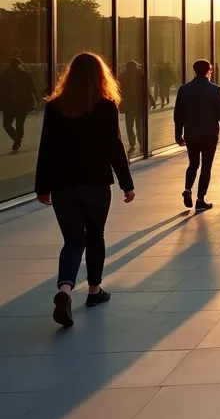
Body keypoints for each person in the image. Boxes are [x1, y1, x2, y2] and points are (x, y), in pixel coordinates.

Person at [34, 52, 134, 328]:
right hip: (96, 183)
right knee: (96, 236)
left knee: (73, 240)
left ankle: (65, 289)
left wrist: (41, 185)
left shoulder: (55, 107)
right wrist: (127, 184)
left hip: (63, 185)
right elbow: (115, 147)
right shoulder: (106, 105)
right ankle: (93, 291)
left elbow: (47, 148)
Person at [174, 59, 220, 212]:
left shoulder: (184, 90)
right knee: (206, 166)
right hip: (209, 134)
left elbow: (178, 114)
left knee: (193, 163)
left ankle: (188, 189)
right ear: (209, 70)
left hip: (191, 133)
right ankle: (200, 198)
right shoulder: (215, 90)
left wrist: (178, 134)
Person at [1, 58, 37, 152]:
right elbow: (32, 88)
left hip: (15, 104)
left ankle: (17, 140)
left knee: (9, 124)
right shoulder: (22, 74)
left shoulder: (9, 74)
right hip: (17, 104)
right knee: (16, 124)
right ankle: (17, 140)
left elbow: (32, 88)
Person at [118, 60, 147, 154]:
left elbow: (145, 89)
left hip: (136, 104)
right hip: (130, 105)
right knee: (131, 125)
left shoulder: (140, 75)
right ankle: (134, 143)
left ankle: (138, 142)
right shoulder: (125, 76)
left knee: (136, 126)